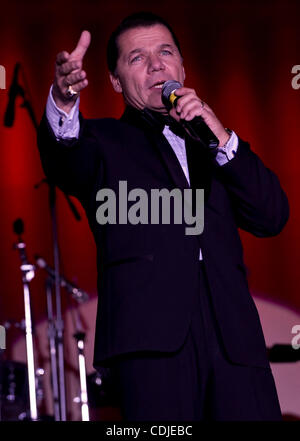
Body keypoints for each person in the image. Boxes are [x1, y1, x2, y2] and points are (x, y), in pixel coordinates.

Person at [37, 12, 289, 421]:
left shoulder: (215, 145)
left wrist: (221, 137)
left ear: (182, 68)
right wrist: (63, 101)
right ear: (116, 81)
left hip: (235, 342)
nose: (156, 65)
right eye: (137, 57)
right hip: (152, 346)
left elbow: (272, 215)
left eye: (165, 52)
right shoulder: (103, 141)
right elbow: (64, 155)